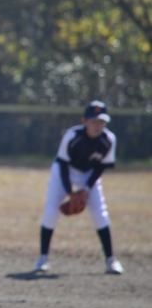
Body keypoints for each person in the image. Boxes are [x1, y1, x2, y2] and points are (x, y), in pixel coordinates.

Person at [33, 100, 123, 274]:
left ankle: (111, 260)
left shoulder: (109, 140)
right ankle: (43, 258)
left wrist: (86, 189)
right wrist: (70, 192)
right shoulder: (72, 136)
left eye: (102, 122)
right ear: (84, 121)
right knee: (51, 211)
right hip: (65, 171)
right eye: (94, 121)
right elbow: (62, 164)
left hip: (88, 175)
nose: (98, 126)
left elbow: (100, 167)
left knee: (99, 213)